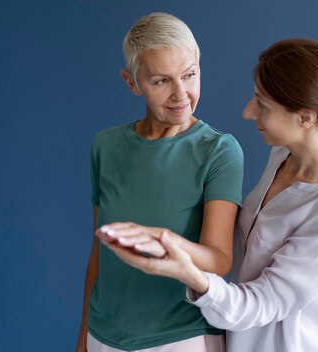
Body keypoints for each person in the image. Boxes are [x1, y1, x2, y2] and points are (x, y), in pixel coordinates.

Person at [100, 38, 318, 352]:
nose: (248, 112)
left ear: (305, 117)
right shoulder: (282, 156)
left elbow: (263, 303)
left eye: (262, 104)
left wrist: (188, 273)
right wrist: (166, 239)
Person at [76, 12, 244, 352]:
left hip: (181, 338)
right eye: (161, 81)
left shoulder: (219, 151)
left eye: (189, 75)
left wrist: (165, 240)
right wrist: (83, 339)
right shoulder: (105, 147)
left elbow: (219, 259)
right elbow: (100, 253)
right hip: (103, 336)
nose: (180, 94)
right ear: (131, 82)